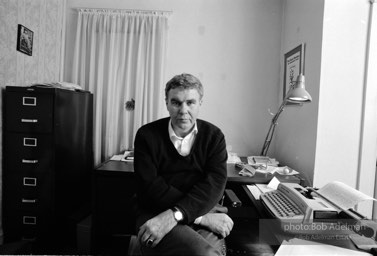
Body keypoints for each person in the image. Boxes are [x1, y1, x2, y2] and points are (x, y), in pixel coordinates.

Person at [133, 73, 234, 255]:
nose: (183, 110)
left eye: (190, 102)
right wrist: (201, 218)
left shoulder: (214, 137)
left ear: (200, 103)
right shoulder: (146, 136)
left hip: (201, 208)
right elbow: (150, 188)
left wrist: (178, 214)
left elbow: (213, 186)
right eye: (176, 102)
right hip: (156, 211)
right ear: (167, 103)